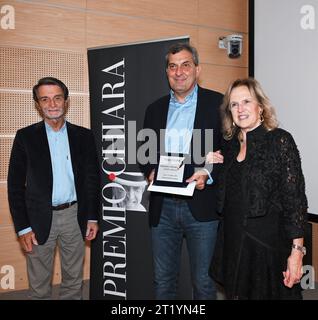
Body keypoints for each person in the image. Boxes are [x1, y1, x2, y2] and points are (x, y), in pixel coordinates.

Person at [208, 78, 308, 300]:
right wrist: (205, 169)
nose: (240, 109)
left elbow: (295, 203)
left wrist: (297, 253)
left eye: (246, 101)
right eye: (234, 104)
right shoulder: (230, 145)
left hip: (267, 251)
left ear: (260, 106)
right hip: (234, 245)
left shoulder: (280, 141)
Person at [140, 43, 223, 299]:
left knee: (204, 282)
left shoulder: (218, 104)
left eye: (185, 64)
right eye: (173, 66)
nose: (179, 72)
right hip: (163, 207)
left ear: (197, 69)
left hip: (202, 205)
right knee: (163, 281)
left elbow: (229, 153)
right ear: (167, 72)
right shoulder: (154, 109)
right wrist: (151, 170)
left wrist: (207, 174)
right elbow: (144, 152)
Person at [7, 77, 100, 300]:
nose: (52, 104)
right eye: (45, 99)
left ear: (66, 101)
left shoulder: (84, 136)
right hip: (37, 218)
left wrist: (92, 217)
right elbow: (14, 187)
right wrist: (23, 228)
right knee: (39, 288)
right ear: (38, 104)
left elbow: (92, 180)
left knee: (73, 284)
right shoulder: (25, 137)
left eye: (57, 98)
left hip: (74, 216)